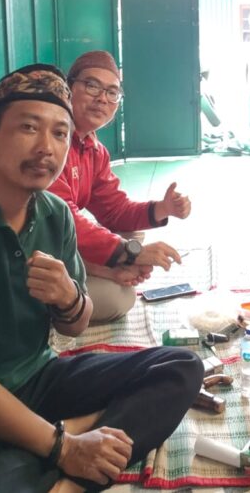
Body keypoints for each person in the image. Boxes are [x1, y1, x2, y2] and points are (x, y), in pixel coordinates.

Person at [0, 64, 204, 493]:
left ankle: (58, 469)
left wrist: (70, 298)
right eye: (29, 128)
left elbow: (76, 325)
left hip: (34, 380)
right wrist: (65, 447)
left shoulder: (55, 214)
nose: (46, 148)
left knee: (179, 366)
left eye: (60, 133)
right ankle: (65, 441)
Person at [48, 51, 191, 323]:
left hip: (58, 242)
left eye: (112, 92)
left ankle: (99, 270)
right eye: (92, 86)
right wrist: (128, 255)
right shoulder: (52, 140)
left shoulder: (93, 149)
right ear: (68, 88)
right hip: (28, 254)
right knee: (118, 297)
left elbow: (114, 210)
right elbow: (62, 220)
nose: (102, 98)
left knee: (132, 234)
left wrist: (162, 208)